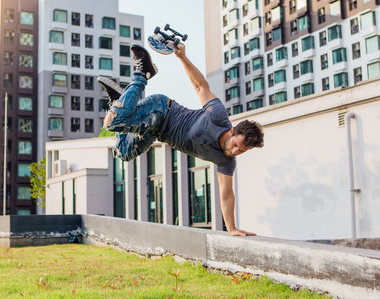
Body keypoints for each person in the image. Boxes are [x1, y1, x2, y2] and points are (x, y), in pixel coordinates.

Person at [98, 43, 264, 236]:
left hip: (155, 131)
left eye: (241, 151)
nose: (235, 151)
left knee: (124, 152)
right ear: (232, 132)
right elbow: (200, 86)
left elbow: (226, 194)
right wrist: (182, 57)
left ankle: (119, 100)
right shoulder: (218, 116)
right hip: (161, 110)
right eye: (236, 145)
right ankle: (143, 72)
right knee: (112, 122)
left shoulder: (226, 161)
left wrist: (232, 228)